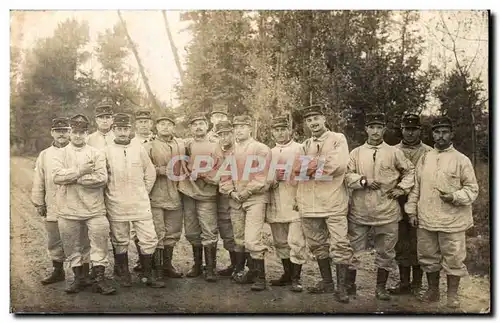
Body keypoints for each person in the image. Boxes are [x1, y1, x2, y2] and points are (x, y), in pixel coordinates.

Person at [405, 116, 478, 308]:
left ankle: (452, 295)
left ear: (451, 134)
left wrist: (454, 196)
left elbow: (472, 189)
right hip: (426, 218)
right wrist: (411, 212)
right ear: (432, 134)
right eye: (437, 132)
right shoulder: (425, 158)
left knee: (454, 257)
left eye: (445, 132)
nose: (441, 136)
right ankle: (433, 291)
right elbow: (415, 188)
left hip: (452, 220)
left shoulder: (461, 160)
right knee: (428, 256)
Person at [345, 112, 414, 301]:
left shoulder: (394, 152)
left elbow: (410, 172)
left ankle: (380, 287)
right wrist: (363, 180)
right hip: (360, 210)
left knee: (386, 251)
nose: (375, 131)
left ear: (384, 129)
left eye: (379, 127)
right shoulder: (356, 152)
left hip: (387, 210)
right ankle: (349, 285)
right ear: (366, 129)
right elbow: (346, 175)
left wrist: (401, 188)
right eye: (371, 127)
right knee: (353, 248)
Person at [294, 105, 353, 303]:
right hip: (309, 203)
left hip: (334, 201)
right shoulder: (305, 144)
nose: (313, 123)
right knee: (317, 244)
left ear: (324, 118)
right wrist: (314, 167)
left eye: (316, 118)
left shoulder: (338, 139)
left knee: (340, 244)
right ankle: (327, 282)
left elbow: (337, 165)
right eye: (309, 120)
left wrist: (309, 168)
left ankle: (342, 287)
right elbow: (296, 169)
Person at [52, 114, 116, 295]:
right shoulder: (61, 153)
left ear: (87, 133)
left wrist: (74, 178)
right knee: (71, 245)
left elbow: (101, 179)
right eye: (75, 132)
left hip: (94, 208)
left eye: (82, 132)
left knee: (99, 242)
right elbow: (56, 177)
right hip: (68, 208)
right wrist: (81, 171)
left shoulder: (96, 153)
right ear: (70, 133)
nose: (78, 136)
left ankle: (99, 279)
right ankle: (78, 279)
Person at [104, 113, 164, 288]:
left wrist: (143, 191)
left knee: (148, 237)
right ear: (114, 130)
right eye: (119, 129)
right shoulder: (106, 151)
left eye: (126, 129)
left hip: (140, 202)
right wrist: (111, 194)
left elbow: (150, 172)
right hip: (116, 202)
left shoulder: (139, 149)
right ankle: (124, 274)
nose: (123, 132)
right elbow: (103, 176)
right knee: (120, 239)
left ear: (130, 130)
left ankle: (147, 274)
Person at [31, 117, 91, 285]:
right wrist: (39, 202)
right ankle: (58, 271)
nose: (62, 134)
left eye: (65, 131)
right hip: (54, 203)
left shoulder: (80, 151)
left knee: (81, 238)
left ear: (70, 132)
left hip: (78, 202)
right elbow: (39, 179)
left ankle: (83, 274)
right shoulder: (45, 155)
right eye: (58, 131)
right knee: (55, 239)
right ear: (52, 133)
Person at [219, 115, 271, 291]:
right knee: (239, 238)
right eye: (237, 127)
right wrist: (231, 192)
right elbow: (224, 178)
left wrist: (246, 191)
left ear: (250, 128)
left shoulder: (260, 148)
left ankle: (260, 278)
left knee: (252, 239)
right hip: (236, 199)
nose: (239, 130)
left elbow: (262, 177)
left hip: (255, 198)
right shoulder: (231, 152)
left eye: (243, 126)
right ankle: (242, 271)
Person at [389, 112, 432, 296]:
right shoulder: (391, 151)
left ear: (420, 131)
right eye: (407, 129)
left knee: (420, 242)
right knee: (401, 242)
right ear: (402, 129)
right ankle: (404, 283)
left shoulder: (430, 152)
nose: (410, 134)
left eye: (414, 129)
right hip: (397, 201)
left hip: (422, 202)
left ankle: (417, 284)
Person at [178, 112, 222, 282]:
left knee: (209, 229)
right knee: (191, 230)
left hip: (208, 193)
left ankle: (210, 268)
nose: (198, 127)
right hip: (189, 192)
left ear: (207, 126)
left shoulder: (215, 145)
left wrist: (204, 175)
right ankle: (197, 265)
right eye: (194, 124)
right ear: (190, 128)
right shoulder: (185, 144)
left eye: (201, 124)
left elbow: (221, 167)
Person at [266, 116, 307, 293]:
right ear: (272, 132)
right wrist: (271, 180)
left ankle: (297, 278)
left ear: (290, 130)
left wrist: (290, 175)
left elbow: (310, 173)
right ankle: (287, 274)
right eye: (276, 130)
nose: (280, 133)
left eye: (283, 129)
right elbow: (261, 176)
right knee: (280, 241)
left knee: (295, 240)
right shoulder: (269, 152)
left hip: (295, 200)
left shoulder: (301, 148)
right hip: (275, 200)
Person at [144, 112, 185, 279]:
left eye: (169, 124)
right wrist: (160, 170)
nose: (165, 127)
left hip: (176, 194)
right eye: (162, 124)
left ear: (173, 127)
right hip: (156, 194)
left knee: (173, 232)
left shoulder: (180, 144)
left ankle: (168, 265)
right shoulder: (149, 146)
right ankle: (158, 269)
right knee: (158, 231)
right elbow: (143, 168)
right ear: (156, 127)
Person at [211, 120, 238, 277]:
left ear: (233, 133)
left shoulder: (240, 149)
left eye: (227, 133)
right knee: (226, 229)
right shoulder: (217, 151)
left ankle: (246, 267)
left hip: (237, 195)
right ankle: (234, 264)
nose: (224, 137)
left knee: (240, 231)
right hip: (222, 195)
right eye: (221, 134)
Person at [129, 109, 154, 272]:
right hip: (137, 191)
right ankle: (141, 261)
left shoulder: (157, 140)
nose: (144, 124)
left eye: (146, 121)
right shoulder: (130, 143)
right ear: (135, 125)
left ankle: (161, 264)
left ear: (151, 124)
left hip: (158, 189)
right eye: (140, 122)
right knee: (136, 228)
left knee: (157, 228)